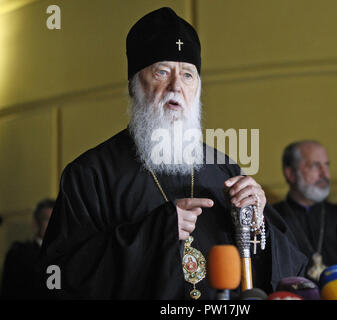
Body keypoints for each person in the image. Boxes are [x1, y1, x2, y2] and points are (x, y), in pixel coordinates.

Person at [39, 7, 307, 300]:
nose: (176, 86)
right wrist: (154, 234)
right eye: (162, 72)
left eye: (188, 75)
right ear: (134, 85)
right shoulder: (90, 174)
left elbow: (292, 272)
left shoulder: (224, 168)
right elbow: (59, 276)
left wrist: (257, 224)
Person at [272, 141, 337, 282]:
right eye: (315, 165)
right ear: (291, 174)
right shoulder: (272, 218)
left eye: (327, 165)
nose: (325, 174)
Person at [1, 198, 55, 299]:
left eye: (57, 219)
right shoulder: (18, 254)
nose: (53, 224)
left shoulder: (69, 254)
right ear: (36, 224)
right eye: (47, 219)